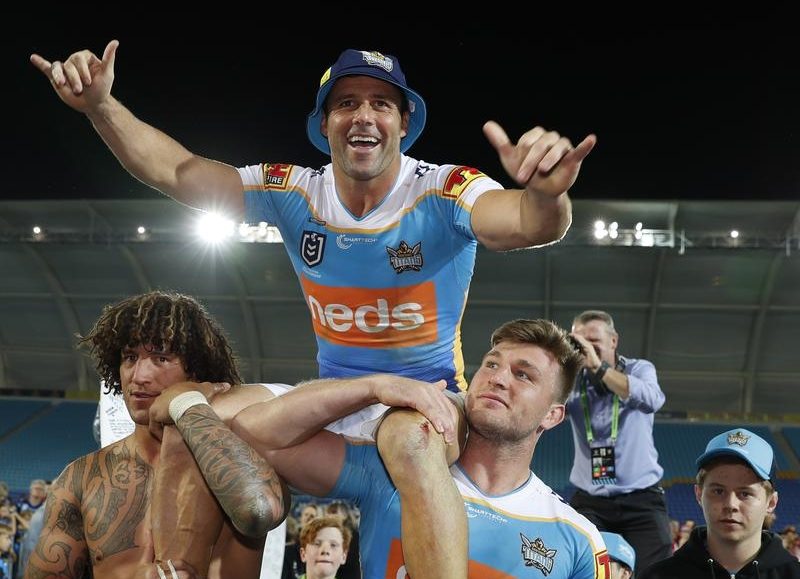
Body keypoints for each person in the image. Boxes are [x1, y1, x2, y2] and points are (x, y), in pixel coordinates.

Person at [31, 42, 596, 577]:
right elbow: (178, 172)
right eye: (346, 103)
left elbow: (527, 224)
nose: (363, 115)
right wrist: (101, 107)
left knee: (412, 443)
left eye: (381, 104)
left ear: (404, 123)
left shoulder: (445, 190)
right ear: (324, 124)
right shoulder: (295, 191)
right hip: (334, 399)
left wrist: (547, 194)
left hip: (425, 402)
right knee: (190, 412)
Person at [151, 318, 611, 577]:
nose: (498, 378)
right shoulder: (390, 472)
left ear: (553, 415)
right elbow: (256, 434)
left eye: (523, 374)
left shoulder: (577, 540)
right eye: (492, 364)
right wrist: (373, 386)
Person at [25, 291, 288, 579]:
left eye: (161, 358)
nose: (138, 377)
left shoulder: (240, 461)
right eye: (129, 358)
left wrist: (188, 404)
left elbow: (260, 510)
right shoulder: (82, 477)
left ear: (198, 369)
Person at [566, 309, 671, 574]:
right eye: (579, 342)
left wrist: (599, 368)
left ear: (613, 341)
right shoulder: (571, 380)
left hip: (642, 500)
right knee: (583, 571)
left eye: (593, 341)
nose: (586, 348)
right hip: (590, 502)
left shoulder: (639, 369)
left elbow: (652, 400)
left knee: (658, 572)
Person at [639, 427, 800, 578]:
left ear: (771, 503)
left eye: (745, 494)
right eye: (718, 491)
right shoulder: (658, 576)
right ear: (699, 494)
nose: (730, 504)